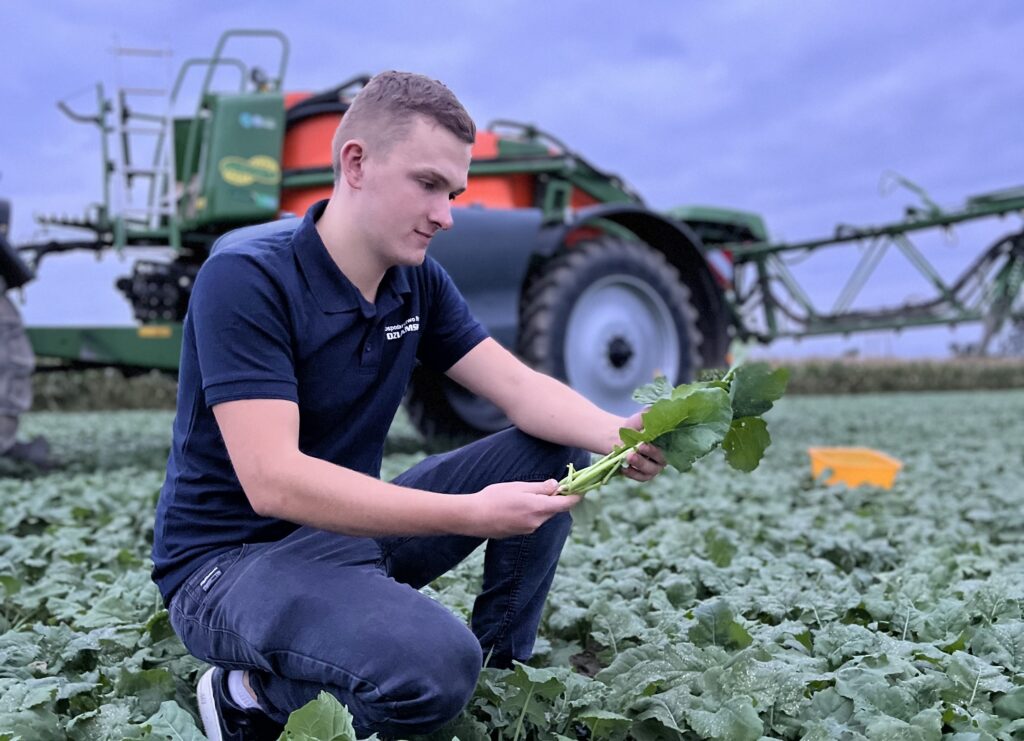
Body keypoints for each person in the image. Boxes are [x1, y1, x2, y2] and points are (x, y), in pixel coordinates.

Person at [151, 70, 666, 740]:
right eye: (427, 184)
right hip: (226, 567)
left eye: (452, 192)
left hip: (342, 535)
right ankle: (247, 691)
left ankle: (503, 668)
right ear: (355, 163)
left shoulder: (414, 280)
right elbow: (272, 478)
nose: (446, 213)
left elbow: (516, 387)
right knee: (431, 665)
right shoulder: (247, 276)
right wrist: (470, 513)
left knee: (550, 448)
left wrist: (614, 434)